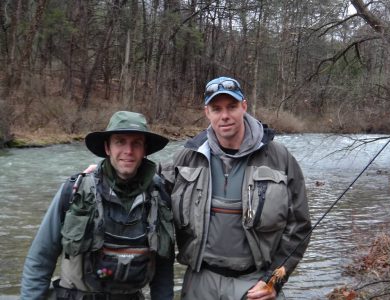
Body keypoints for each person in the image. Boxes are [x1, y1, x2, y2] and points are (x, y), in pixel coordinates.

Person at [160, 76, 312, 300]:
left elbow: (299, 225)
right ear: (207, 113)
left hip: (256, 282)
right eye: (216, 108)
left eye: (231, 107)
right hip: (200, 281)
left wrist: (275, 280)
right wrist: (100, 174)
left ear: (244, 106)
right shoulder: (186, 157)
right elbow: (148, 189)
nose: (225, 116)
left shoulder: (280, 158)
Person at [21, 111, 175, 300]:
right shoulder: (74, 191)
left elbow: (163, 274)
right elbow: (41, 258)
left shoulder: (159, 198)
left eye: (136, 143)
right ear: (107, 148)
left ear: (144, 150)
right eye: (120, 141)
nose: (128, 150)